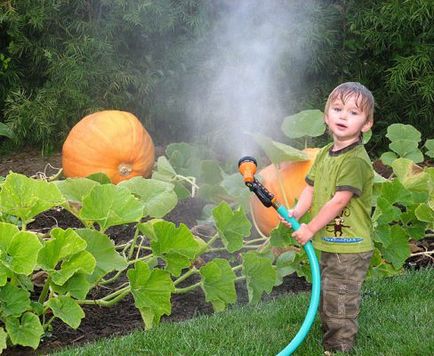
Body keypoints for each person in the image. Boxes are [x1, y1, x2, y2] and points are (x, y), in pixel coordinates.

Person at [281, 82, 375, 353]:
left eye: (353, 113)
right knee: (329, 295)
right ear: (326, 116)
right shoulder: (324, 153)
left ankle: (338, 347)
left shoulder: (354, 160)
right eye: (337, 109)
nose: (343, 116)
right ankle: (331, 337)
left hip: (350, 245)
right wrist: (297, 212)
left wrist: (309, 228)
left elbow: (339, 200)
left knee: (340, 300)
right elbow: (310, 187)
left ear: (366, 124)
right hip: (332, 242)